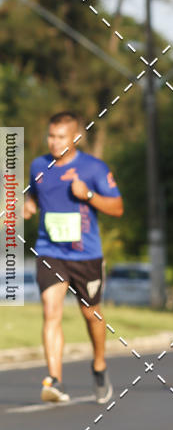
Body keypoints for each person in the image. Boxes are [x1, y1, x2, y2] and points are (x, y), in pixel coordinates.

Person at [23, 112, 123, 404]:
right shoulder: (39, 166)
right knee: (50, 310)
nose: (54, 143)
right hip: (50, 250)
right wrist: (28, 205)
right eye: (51, 136)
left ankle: (99, 365)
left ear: (76, 138)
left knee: (91, 314)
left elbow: (117, 208)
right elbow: (36, 198)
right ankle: (54, 380)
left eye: (61, 137)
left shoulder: (93, 168)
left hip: (85, 254)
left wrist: (89, 195)